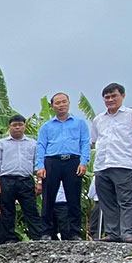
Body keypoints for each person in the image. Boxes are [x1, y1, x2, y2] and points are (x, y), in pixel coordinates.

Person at [90, 83, 132, 243]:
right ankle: (113, 233)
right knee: (107, 201)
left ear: (122, 95)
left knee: (126, 200)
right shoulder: (98, 119)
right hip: (102, 165)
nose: (110, 100)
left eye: (113, 96)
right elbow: (95, 141)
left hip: (122, 164)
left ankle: (128, 233)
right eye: (107, 97)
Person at [36, 92, 90, 240]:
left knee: (73, 198)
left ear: (68, 103)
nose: (61, 105)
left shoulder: (79, 123)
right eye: (57, 103)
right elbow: (41, 146)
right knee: (48, 198)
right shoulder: (46, 126)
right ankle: (46, 232)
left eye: (64, 102)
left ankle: (74, 233)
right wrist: (40, 166)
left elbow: (85, 143)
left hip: (73, 161)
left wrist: (83, 162)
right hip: (52, 161)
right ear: (52, 106)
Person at [0, 114, 44, 245]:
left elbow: (38, 164)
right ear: (9, 127)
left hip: (26, 180)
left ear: (25, 127)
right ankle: (10, 238)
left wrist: (39, 182)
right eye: (14, 125)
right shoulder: (1, 144)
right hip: (6, 180)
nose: (17, 128)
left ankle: (38, 236)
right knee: (7, 210)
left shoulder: (33, 144)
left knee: (31, 209)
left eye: (20, 125)